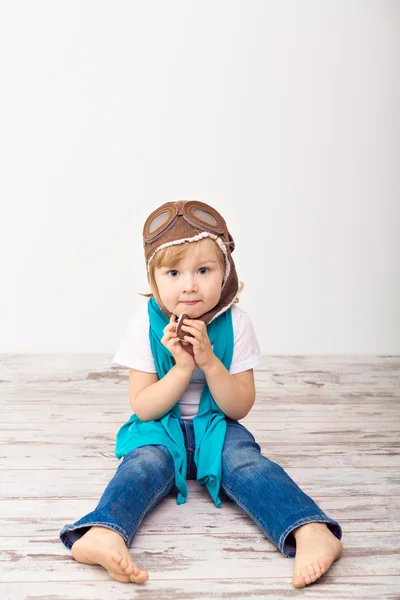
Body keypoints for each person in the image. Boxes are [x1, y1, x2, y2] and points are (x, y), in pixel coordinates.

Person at [59, 200, 343, 588]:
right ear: (154, 279)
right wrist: (181, 369)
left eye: (204, 270)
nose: (189, 284)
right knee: (141, 466)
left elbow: (239, 406)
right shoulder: (144, 323)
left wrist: (210, 363)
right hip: (159, 427)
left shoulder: (236, 323)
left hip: (217, 426)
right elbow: (143, 407)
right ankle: (104, 532)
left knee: (246, 463)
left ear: (225, 274)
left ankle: (309, 530)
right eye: (174, 272)